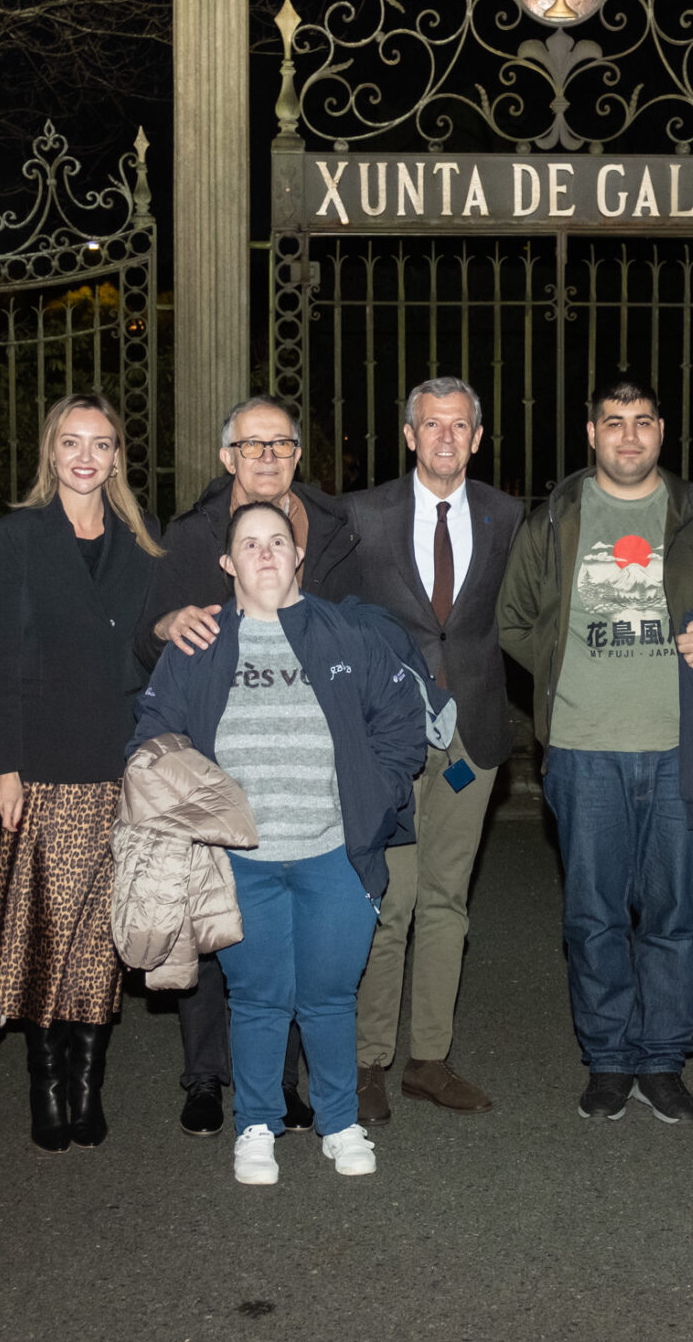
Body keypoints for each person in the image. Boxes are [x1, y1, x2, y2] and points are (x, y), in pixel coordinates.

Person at [126, 500, 426, 1185]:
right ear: (228, 563)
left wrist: (374, 793)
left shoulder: (345, 632)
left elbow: (402, 719)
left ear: (298, 555)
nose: (265, 553)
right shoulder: (199, 644)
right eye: (249, 544)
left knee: (329, 996)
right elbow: (152, 736)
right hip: (242, 863)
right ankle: (256, 1124)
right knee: (258, 998)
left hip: (333, 853)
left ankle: (339, 1122)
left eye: (278, 542)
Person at [498, 374, 693, 1125]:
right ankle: (608, 1057)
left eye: (643, 421)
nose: (630, 435)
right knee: (594, 914)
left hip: (680, 748)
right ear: (592, 433)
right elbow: (514, 621)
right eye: (614, 421)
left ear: (661, 431)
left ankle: (663, 1060)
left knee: (672, 914)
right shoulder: (556, 518)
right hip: (584, 749)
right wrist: (564, 673)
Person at [135, 395, 362, 1136]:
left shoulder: (332, 528)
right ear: (227, 456)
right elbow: (150, 634)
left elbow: (359, 638)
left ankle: (285, 1085)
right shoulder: (192, 532)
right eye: (251, 444)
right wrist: (168, 623)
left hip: (305, 770)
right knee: (215, 923)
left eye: (281, 444)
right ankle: (206, 1075)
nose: (267, 456)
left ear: (297, 454)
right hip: (218, 759)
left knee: (294, 938)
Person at [0, 394, 165, 1153]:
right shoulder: (18, 535)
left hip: (116, 762)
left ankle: (88, 1084)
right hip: (45, 764)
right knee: (48, 929)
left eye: (101, 443)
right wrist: (4, 766)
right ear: (52, 451)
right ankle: (45, 1082)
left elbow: (148, 652)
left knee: (100, 935)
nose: (86, 456)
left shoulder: (142, 542)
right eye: (72, 442)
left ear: (117, 458)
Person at [339, 376, 524, 1121]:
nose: (445, 437)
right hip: (389, 740)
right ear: (410, 435)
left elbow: (516, 614)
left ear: (476, 438)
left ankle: (429, 1060)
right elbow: (335, 615)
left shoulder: (506, 514)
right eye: (431, 424)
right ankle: (367, 1062)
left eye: (459, 425)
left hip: (470, 739)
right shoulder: (363, 514)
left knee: (448, 900)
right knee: (389, 900)